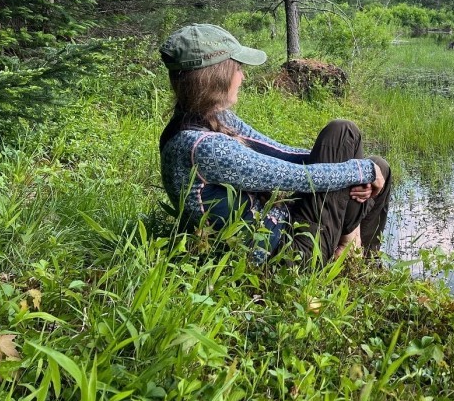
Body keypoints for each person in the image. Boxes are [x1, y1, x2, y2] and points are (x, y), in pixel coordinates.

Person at [158, 23, 391, 265]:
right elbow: (296, 177)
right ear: (218, 75)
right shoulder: (203, 146)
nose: (243, 76)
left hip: (285, 225)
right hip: (286, 254)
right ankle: (351, 248)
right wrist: (360, 170)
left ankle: (364, 258)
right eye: (238, 68)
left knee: (373, 162)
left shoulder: (208, 118)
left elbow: (278, 153)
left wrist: (353, 166)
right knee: (349, 139)